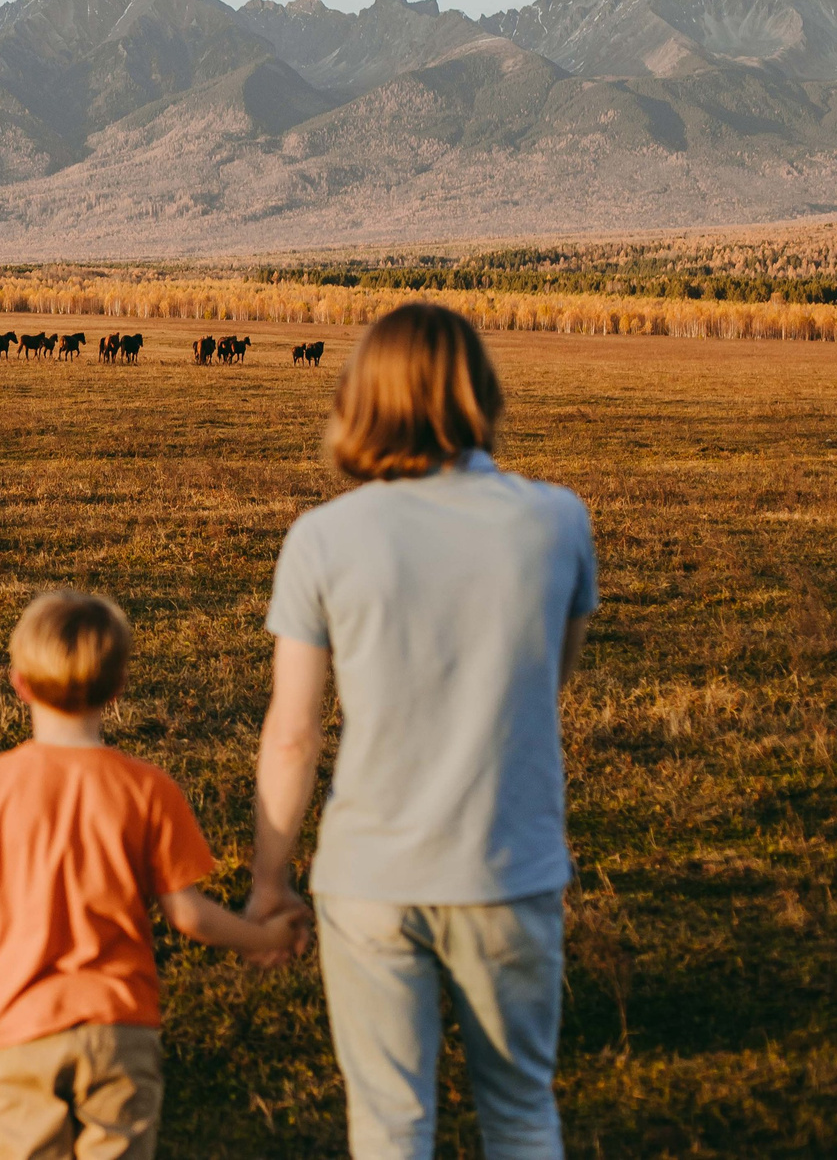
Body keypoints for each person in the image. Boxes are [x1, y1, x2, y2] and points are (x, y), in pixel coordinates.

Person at [245, 303, 598, 1160]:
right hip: (509, 859)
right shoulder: (557, 520)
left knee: (392, 1125)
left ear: (362, 396)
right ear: (480, 390)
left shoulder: (324, 537)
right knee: (520, 1108)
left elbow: (293, 734)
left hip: (371, 870)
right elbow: (549, 680)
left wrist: (268, 882)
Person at [0, 589, 306, 1160]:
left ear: (18, 682)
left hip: (19, 1026)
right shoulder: (149, 789)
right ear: (119, 688)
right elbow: (190, 914)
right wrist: (264, 938)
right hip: (120, 1025)